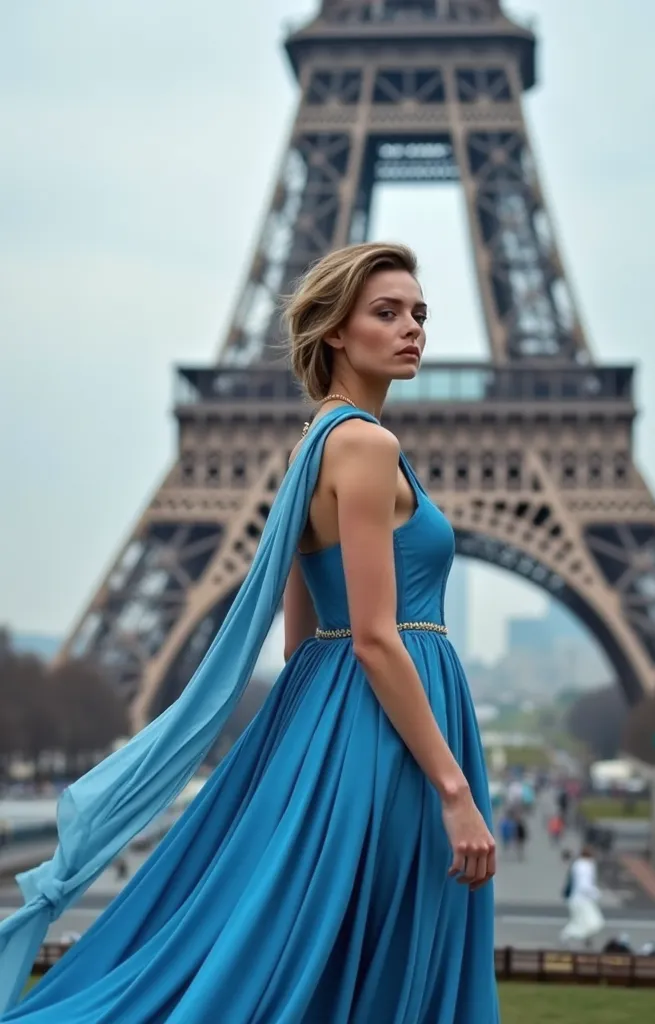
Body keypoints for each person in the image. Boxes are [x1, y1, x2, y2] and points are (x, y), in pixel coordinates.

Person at [0, 242, 499, 1021]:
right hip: (395, 733)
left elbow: (306, 643)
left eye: (419, 315)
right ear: (335, 330)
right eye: (386, 312)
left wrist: (312, 761)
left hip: (344, 725)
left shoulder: (312, 447)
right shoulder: (367, 446)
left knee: (322, 947)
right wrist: (455, 787)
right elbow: (371, 636)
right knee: (385, 952)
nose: (413, 330)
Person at [560, 845, 605, 950]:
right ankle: (567, 936)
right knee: (592, 921)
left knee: (585, 921)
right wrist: (596, 894)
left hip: (578, 899)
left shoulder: (579, 865)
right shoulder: (586, 867)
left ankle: (584, 939)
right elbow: (585, 886)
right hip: (582, 899)